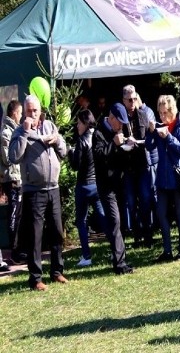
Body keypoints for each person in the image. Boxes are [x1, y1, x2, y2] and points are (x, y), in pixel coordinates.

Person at [8, 95, 69, 290]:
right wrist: (25, 133)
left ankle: (57, 271)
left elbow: (64, 151)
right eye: (29, 111)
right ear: (24, 112)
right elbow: (14, 157)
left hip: (53, 187)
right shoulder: (19, 131)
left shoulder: (50, 126)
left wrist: (57, 140)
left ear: (40, 110)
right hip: (34, 190)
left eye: (35, 110)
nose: (33, 114)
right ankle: (35, 279)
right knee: (36, 236)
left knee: (57, 232)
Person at [92, 104, 134, 274]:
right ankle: (119, 263)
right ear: (112, 118)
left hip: (119, 182)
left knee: (120, 220)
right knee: (115, 220)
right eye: (120, 122)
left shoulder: (118, 132)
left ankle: (120, 259)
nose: (122, 126)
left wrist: (128, 147)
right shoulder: (99, 133)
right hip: (106, 185)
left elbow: (120, 158)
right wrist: (114, 145)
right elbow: (100, 156)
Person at [147, 95, 180, 262]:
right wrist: (151, 132)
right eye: (160, 113)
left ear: (172, 111)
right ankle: (167, 250)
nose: (162, 116)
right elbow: (150, 146)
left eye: (165, 113)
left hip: (176, 175)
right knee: (161, 213)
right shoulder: (159, 125)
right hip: (162, 178)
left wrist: (168, 137)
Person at [120, 85, 158, 249]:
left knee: (145, 199)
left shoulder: (143, 114)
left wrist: (141, 141)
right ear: (124, 100)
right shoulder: (120, 117)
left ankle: (148, 235)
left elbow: (150, 140)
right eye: (129, 99)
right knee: (130, 202)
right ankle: (137, 235)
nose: (133, 102)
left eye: (135, 98)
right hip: (128, 165)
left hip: (143, 164)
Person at [69, 109, 106, 267]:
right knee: (104, 218)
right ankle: (117, 248)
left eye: (78, 123)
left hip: (83, 186)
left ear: (84, 122)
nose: (77, 126)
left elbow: (75, 165)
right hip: (96, 184)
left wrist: (70, 152)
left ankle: (86, 255)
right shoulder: (98, 135)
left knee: (81, 221)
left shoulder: (81, 140)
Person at [1, 100, 25, 265]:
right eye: (21, 112)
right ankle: (14, 251)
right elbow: (7, 158)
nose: (22, 116)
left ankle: (19, 249)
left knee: (19, 214)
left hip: (19, 177)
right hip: (12, 178)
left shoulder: (15, 130)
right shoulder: (6, 132)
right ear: (14, 113)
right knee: (14, 214)